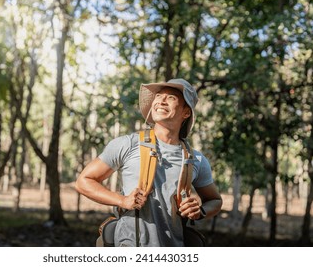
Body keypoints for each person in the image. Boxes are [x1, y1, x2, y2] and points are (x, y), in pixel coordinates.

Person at [75, 78, 222, 247]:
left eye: (171, 97)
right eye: (159, 96)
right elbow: (83, 182)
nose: (161, 101)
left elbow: (215, 201)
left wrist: (200, 211)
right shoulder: (127, 144)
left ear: (186, 112)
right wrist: (121, 200)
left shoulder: (196, 160)